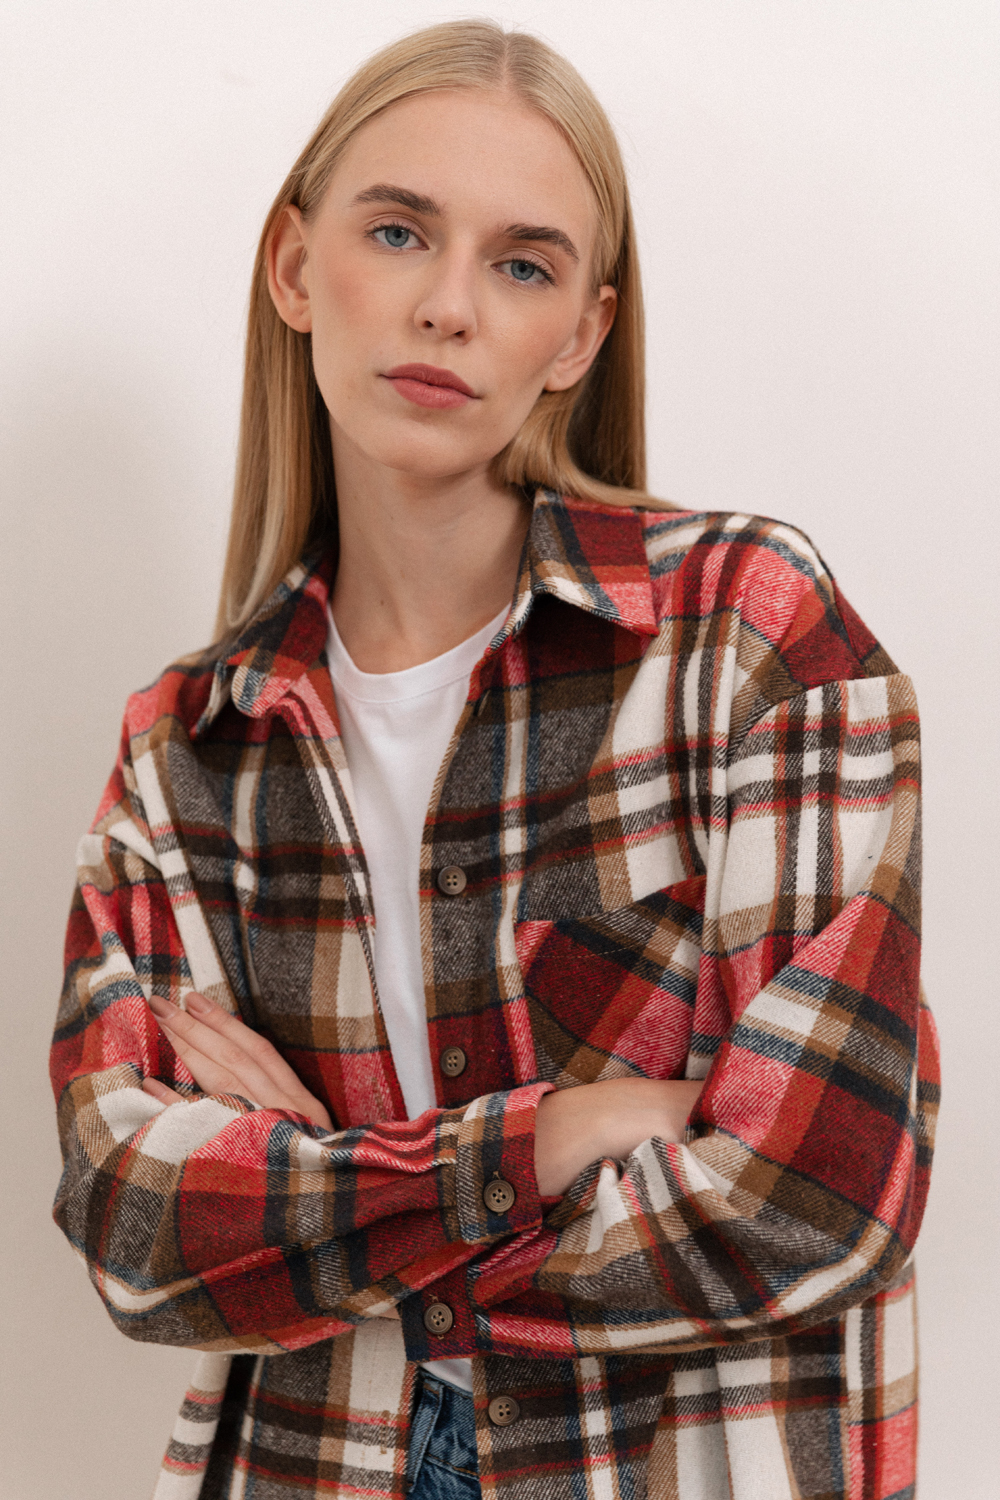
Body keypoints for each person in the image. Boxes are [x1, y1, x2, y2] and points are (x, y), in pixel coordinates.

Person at [50, 20, 940, 1500]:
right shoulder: (185, 749)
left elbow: (818, 1194)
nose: (448, 306)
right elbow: (138, 1230)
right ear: (293, 269)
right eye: (398, 231)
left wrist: (331, 1186)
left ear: (579, 336)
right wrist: (553, 1142)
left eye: (522, 265)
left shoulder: (749, 639)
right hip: (320, 1460)